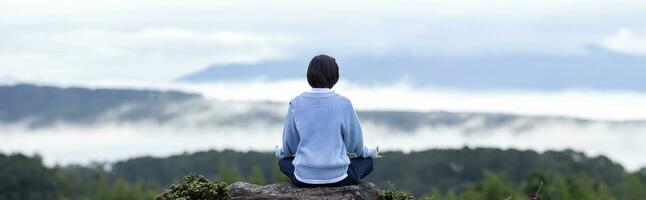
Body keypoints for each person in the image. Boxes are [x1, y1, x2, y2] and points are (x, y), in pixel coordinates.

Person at [275, 54, 380, 187]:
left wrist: (279, 152)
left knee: (283, 162)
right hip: (338, 178)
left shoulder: (296, 103)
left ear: (310, 75)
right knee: (367, 163)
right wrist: (371, 152)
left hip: (303, 179)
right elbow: (355, 147)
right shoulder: (344, 103)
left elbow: (290, 148)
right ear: (334, 76)